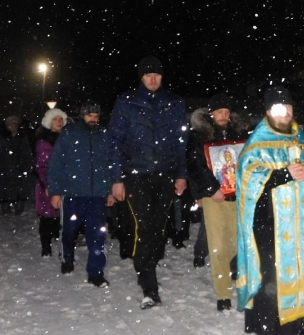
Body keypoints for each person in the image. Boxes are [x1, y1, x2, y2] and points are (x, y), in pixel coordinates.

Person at [236, 85, 304, 335]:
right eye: (279, 107)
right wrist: (283, 174)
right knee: (271, 277)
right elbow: (249, 178)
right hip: (267, 222)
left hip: (301, 223)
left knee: (298, 270)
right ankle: (267, 328)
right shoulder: (257, 142)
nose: (285, 112)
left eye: (288, 107)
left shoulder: (302, 139)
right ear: (268, 112)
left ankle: (292, 324)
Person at [108, 55, 188, 309]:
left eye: (156, 74)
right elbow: (114, 144)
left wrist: (181, 174)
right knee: (143, 226)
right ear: (141, 77)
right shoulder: (126, 102)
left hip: (164, 174)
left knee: (158, 226)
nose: (152, 79)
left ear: (162, 76)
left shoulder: (174, 103)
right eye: (147, 74)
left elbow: (181, 143)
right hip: (137, 175)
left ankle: (149, 265)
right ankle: (149, 286)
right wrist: (117, 179)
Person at [187, 93, 246, 311]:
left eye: (226, 112)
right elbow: (195, 166)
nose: (223, 115)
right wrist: (211, 190)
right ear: (211, 113)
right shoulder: (199, 135)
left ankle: (233, 273)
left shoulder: (238, 134)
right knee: (217, 245)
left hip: (237, 196)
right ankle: (223, 293)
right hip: (214, 197)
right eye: (219, 111)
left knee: (235, 242)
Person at [48, 101, 114, 287]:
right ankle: (67, 258)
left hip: (97, 195)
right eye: (89, 115)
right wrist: (55, 191)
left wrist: (109, 190)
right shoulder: (69, 134)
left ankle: (95, 272)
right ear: (82, 115)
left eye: (96, 116)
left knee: (97, 235)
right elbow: (56, 164)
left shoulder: (103, 135)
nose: (93, 119)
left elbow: (109, 164)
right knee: (69, 231)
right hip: (73, 193)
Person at [34, 108, 68, 256]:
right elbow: (42, 166)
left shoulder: (66, 138)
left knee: (61, 216)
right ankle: (46, 247)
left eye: (61, 119)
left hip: (65, 183)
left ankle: (59, 241)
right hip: (48, 184)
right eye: (55, 119)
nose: (59, 122)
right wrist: (48, 184)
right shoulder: (44, 141)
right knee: (47, 216)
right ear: (49, 122)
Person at [0, 115, 34, 215]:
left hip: (19, 167)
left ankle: (18, 208)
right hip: (4, 167)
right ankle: (5, 208)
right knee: (5, 189)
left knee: (19, 189)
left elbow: (27, 152)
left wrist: (29, 164)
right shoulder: (2, 138)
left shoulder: (21, 137)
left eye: (15, 124)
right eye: (11, 124)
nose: (13, 126)